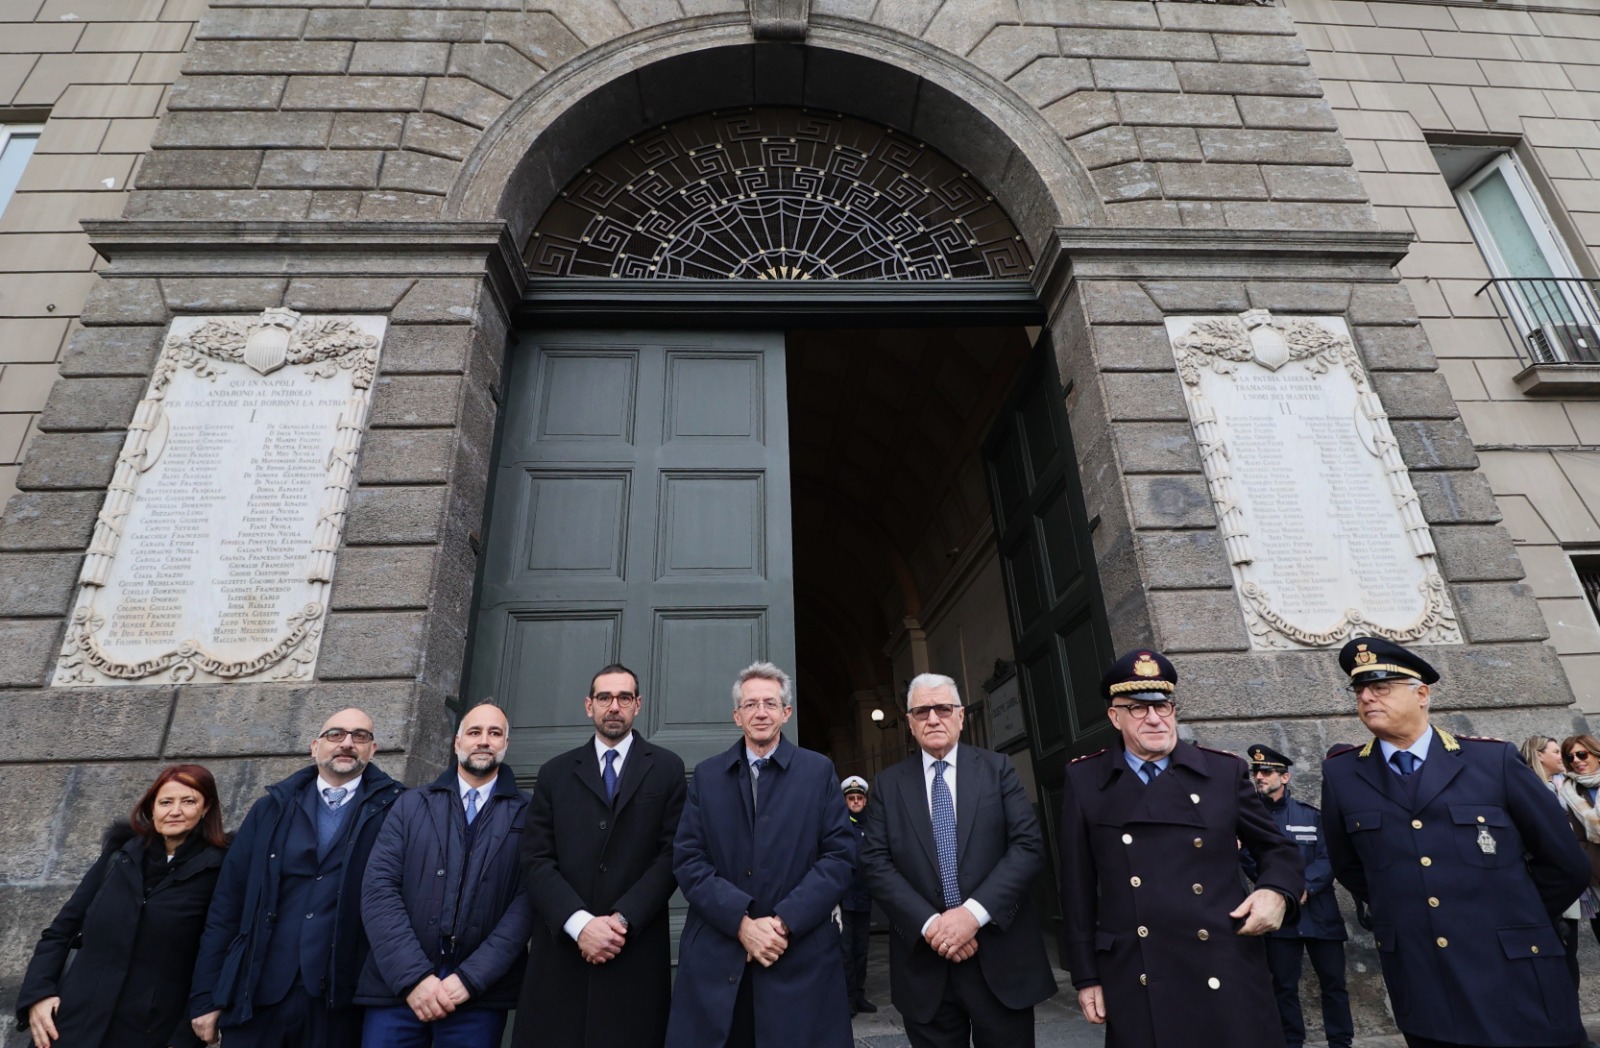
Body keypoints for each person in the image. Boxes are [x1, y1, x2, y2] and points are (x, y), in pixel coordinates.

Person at [1322, 636, 1589, 1048]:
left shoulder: (1491, 761)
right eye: (1359, 690)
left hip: (1513, 968)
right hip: (1423, 976)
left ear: (1422, 694)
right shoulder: (1343, 775)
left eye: (1381, 687)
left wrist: (1511, 914)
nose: (1367, 698)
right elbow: (1351, 867)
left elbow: (1564, 860)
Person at [1057, 648, 1302, 1048]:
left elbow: (1277, 848)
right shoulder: (1085, 779)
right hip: (1138, 967)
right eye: (1137, 708)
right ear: (1113, 716)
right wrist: (1086, 976)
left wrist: (1276, 891)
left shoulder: (1223, 772)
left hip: (1222, 960)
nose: (1155, 718)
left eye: (1164, 706)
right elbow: (1077, 886)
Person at [666, 661, 857, 1048]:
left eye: (770, 703)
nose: (760, 712)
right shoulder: (707, 776)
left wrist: (783, 922)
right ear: (737, 716)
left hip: (800, 955)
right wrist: (742, 923)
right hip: (719, 956)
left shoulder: (818, 771)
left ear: (786, 713)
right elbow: (689, 859)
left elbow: (840, 856)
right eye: (750, 704)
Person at [859, 673, 1056, 1048]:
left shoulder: (998, 770)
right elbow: (875, 863)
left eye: (943, 708)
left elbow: (1027, 847)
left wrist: (971, 916)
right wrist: (933, 925)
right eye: (921, 711)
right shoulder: (887, 785)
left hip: (999, 957)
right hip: (925, 966)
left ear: (961, 716)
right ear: (910, 723)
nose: (933, 718)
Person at [189, 708, 404, 1048]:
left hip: (340, 999)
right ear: (314, 746)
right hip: (258, 992)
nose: (347, 743)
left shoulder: (397, 810)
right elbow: (227, 904)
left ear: (373, 750)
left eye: (359, 736)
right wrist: (206, 996)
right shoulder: (270, 808)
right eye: (336, 735)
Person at [517, 664, 687, 1048]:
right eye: (605, 698)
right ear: (588, 705)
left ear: (638, 705)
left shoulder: (666, 768)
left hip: (635, 950)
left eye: (624, 697)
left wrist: (621, 921)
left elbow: (673, 853)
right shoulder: (555, 773)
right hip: (563, 952)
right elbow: (536, 858)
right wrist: (580, 924)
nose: (614, 706)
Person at [357, 701, 532, 1046]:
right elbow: (379, 889)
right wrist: (414, 978)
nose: (484, 740)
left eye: (495, 733)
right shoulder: (410, 805)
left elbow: (526, 904)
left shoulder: (530, 813)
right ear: (457, 742)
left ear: (506, 744)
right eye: (475, 732)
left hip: (478, 996)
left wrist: (469, 979)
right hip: (398, 990)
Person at [16, 765, 229, 1048]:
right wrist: (39, 995)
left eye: (188, 801)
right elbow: (60, 931)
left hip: (148, 1032)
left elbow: (218, 956)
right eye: (165, 802)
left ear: (206, 808)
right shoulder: (120, 857)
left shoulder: (220, 870)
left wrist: (184, 1040)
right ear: (152, 809)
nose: (175, 810)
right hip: (69, 1025)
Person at [1241, 744, 1353, 1048]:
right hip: (1280, 918)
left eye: (1266, 772)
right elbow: (1250, 861)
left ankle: (1340, 1042)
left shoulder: (1311, 816)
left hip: (1320, 914)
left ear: (1285, 777)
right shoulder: (1253, 821)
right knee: (1283, 986)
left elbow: (1329, 858)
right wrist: (1283, 891)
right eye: (1255, 772)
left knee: (1333, 984)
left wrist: (1303, 887)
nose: (1259, 777)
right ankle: (1291, 1042)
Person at [838, 775, 876, 1017]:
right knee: (845, 952)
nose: (855, 801)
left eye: (859, 798)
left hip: (864, 897)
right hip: (843, 898)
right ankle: (848, 997)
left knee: (861, 950)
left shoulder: (872, 826)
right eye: (851, 798)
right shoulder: (840, 826)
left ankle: (860, 995)